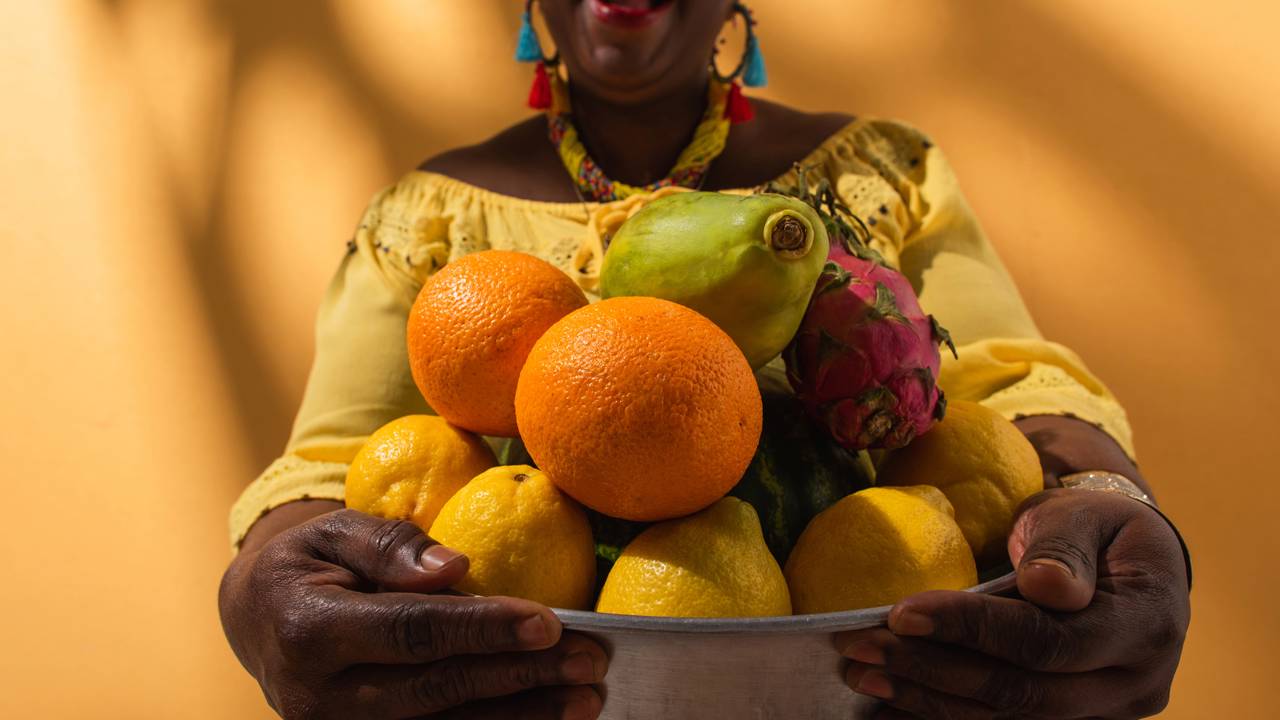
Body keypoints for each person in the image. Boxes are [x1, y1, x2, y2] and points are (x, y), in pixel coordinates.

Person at [218, 2, 1191, 718]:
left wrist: (1103, 496)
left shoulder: (879, 172)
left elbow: (1008, 383)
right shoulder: (423, 218)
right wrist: (267, 579)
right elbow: (337, 465)